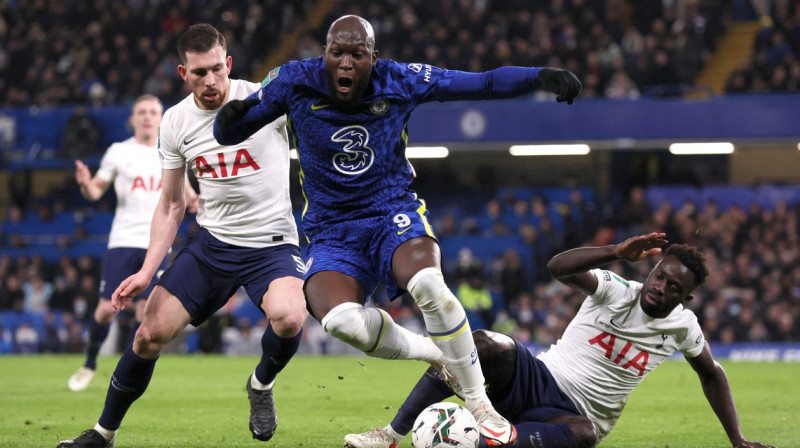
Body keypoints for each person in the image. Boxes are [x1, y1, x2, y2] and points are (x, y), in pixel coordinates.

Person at [214, 14, 581, 446]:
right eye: (338, 52)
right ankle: (436, 354)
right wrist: (227, 120)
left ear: (374, 57)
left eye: (357, 54)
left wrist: (541, 76)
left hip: (391, 212)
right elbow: (231, 131)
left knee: (428, 283)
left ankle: (479, 401)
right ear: (325, 53)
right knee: (338, 320)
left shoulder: (400, 79)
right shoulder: (295, 81)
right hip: (332, 230)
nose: (346, 63)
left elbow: (481, 83)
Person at [57, 23, 307, 448]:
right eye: (198, 73)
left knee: (290, 317)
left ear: (228, 64)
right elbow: (172, 204)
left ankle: (261, 385)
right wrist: (146, 272)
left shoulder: (264, 99)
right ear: (182, 73)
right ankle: (104, 433)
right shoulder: (174, 122)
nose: (210, 81)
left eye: (216, 70)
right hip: (212, 246)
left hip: (272, 244)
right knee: (147, 334)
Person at [342, 233, 776, 448]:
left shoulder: (684, 327)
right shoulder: (616, 289)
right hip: (539, 376)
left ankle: (485, 438)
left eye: (673, 287)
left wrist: (736, 439)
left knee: (585, 434)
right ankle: (391, 433)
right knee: (480, 342)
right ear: (653, 269)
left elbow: (712, 374)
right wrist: (615, 251)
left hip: (572, 416)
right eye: (659, 275)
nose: (660, 287)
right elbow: (558, 267)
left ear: (686, 297)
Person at [67, 94, 198, 392]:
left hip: (158, 244)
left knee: (145, 313)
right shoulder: (117, 151)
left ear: (162, 117)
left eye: (153, 111)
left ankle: (121, 374)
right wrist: (86, 184)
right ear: (133, 118)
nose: (148, 117)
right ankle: (89, 363)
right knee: (105, 310)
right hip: (123, 241)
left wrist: (200, 202)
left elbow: (189, 197)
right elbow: (96, 192)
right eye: (142, 112)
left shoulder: (172, 151)